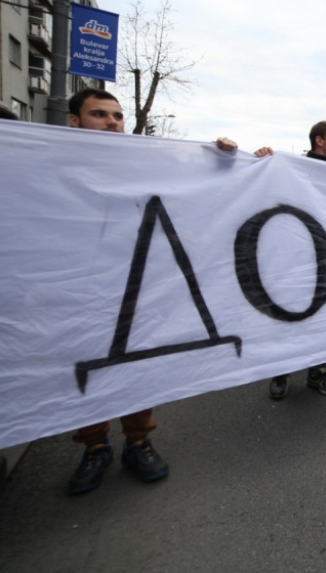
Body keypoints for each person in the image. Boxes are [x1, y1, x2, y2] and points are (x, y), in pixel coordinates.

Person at [64, 88, 237, 495]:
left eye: (117, 116)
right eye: (99, 115)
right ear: (74, 121)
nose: (112, 123)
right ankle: (93, 446)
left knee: (137, 362)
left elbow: (193, 185)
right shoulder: (54, 163)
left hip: (135, 281)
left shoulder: (142, 162)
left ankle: (138, 440)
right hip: (78, 287)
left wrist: (225, 157)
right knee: (84, 364)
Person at [267, 122, 326, 400]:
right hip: (294, 260)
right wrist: (261, 158)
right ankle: (280, 371)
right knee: (289, 315)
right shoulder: (292, 169)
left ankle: (318, 370)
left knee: (324, 318)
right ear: (318, 141)